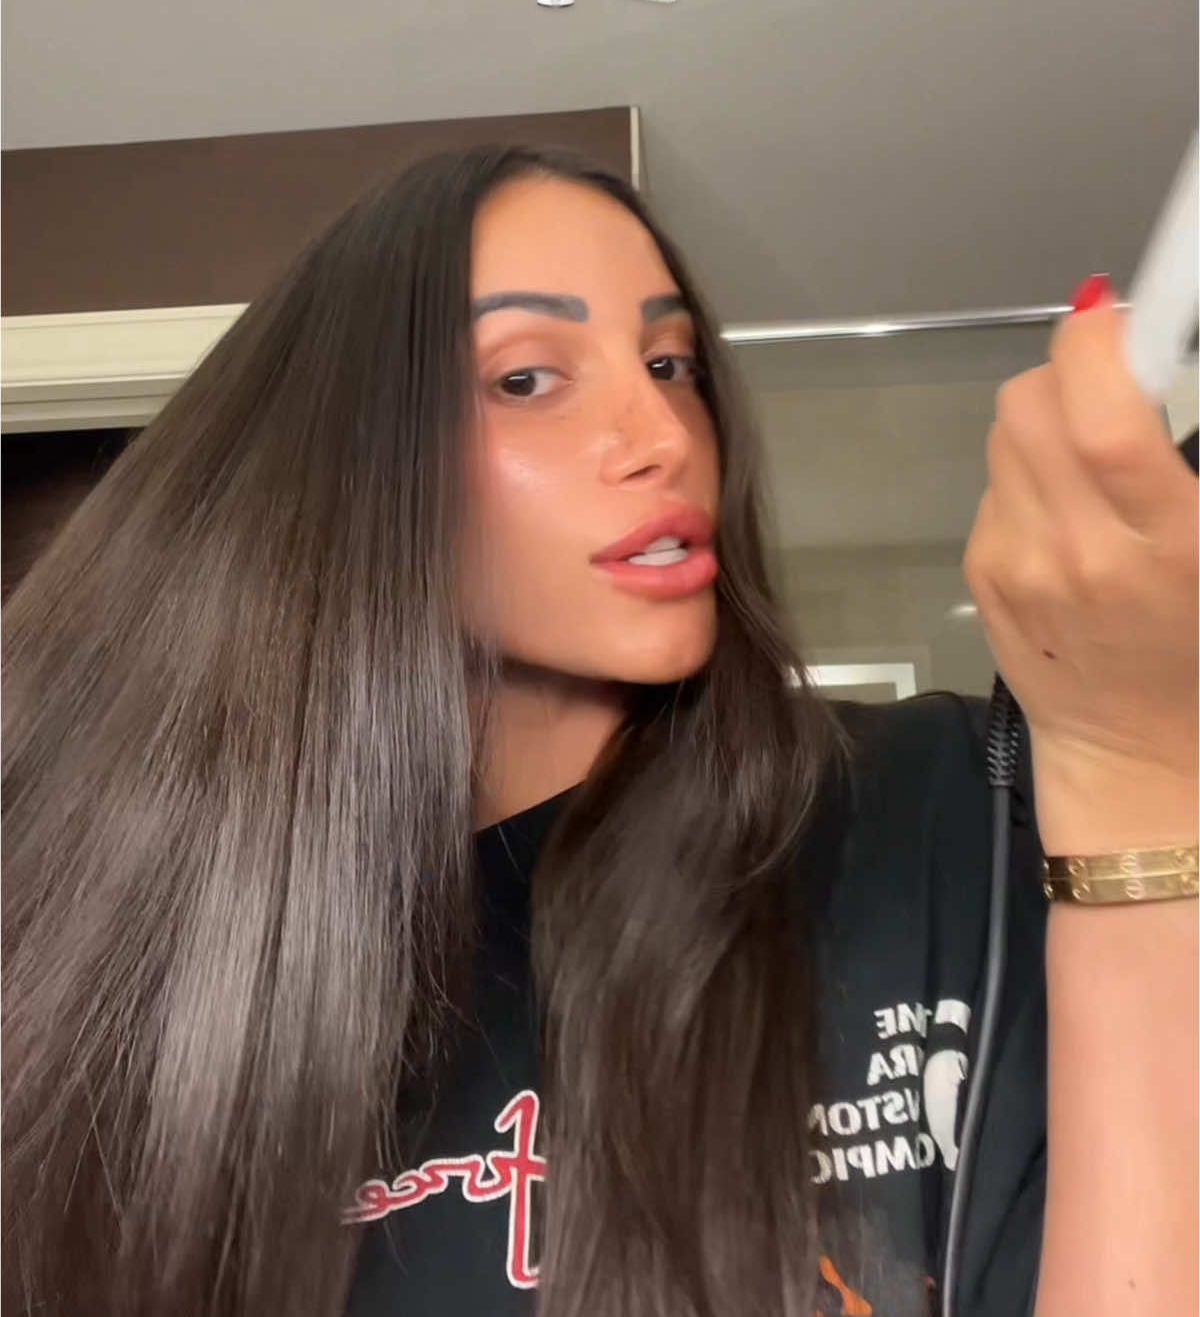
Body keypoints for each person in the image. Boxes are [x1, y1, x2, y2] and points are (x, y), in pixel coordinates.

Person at [1, 145, 1194, 1317]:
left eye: (671, 364)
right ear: (343, 471)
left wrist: (1134, 776)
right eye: (527, 379)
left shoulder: (941, 808)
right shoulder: (154, 978)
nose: (663, 432)